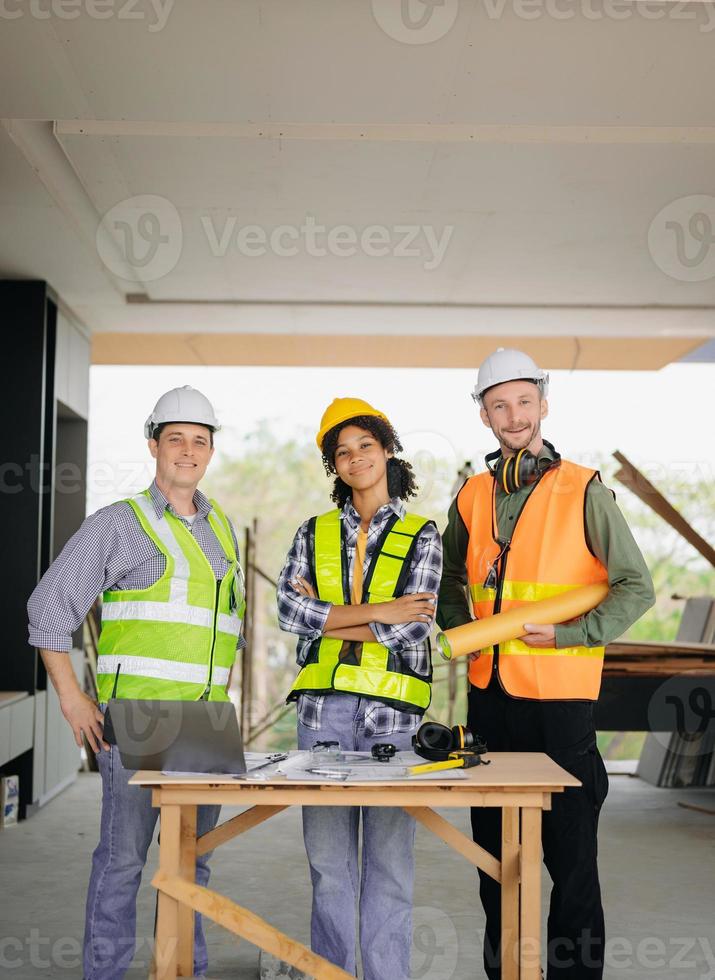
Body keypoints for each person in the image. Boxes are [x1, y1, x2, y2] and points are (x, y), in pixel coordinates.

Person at [437, 349, 655, 980]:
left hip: (559, 705)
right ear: (484, 414)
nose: (513, 415)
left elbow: (633, 585)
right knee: (495, 865)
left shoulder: (582, 488)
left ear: (543, 406)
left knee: (571, 867)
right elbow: (452, 580)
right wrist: (463, 631)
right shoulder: (473, 495)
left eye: (523, 402)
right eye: (498, 404)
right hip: (490, 703)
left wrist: (569, 636)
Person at [27, 385, 245, 980]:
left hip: (206, 723)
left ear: (210, 451)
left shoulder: (221, 526)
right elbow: (49, 606)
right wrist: (72, 697)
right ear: (154, 444)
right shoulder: (120, 524)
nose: (188, 450)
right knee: (124, 861)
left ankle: (184, 973)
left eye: (200, 441)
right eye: (176, 438)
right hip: (139, 717)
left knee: (192, 864)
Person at [276, 397, 442, 980]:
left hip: (392, 720)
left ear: (387, 449)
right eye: (341, 452)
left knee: (390, 863)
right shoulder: (312, 531)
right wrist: (378, 609)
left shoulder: (423, 533)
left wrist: (338, 614)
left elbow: (411, 622)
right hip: (320, 715)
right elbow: (288, 612)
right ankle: (331, 974)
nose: (355, 459)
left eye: (364, 446)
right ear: (333, 466)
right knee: (328, 863)